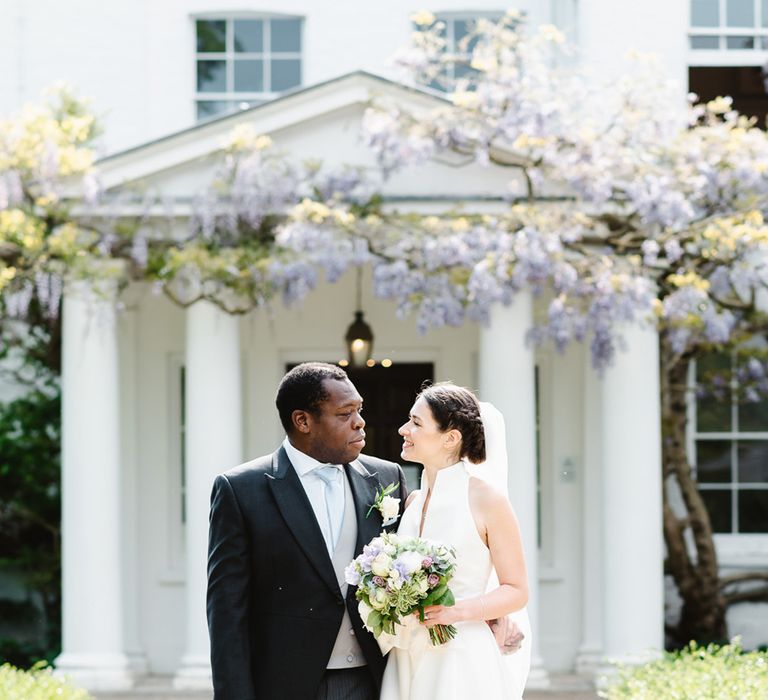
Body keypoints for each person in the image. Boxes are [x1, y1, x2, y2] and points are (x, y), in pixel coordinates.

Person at [207, 362, 408, 700]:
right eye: (345, 414)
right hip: (284, 685)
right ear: (302, 421)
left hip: (375, 682)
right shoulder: (241, 490)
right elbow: (227, 611)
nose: (360, 422)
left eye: (359, 410)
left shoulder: (387, 478)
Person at [380, 381, 531, 700]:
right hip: (405, 653)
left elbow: (516, 591)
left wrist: (457, 612)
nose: (403, 429)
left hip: (459, 657)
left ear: (450, 438)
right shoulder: (412, 502)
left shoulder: (487, 500)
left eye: (416, 423)